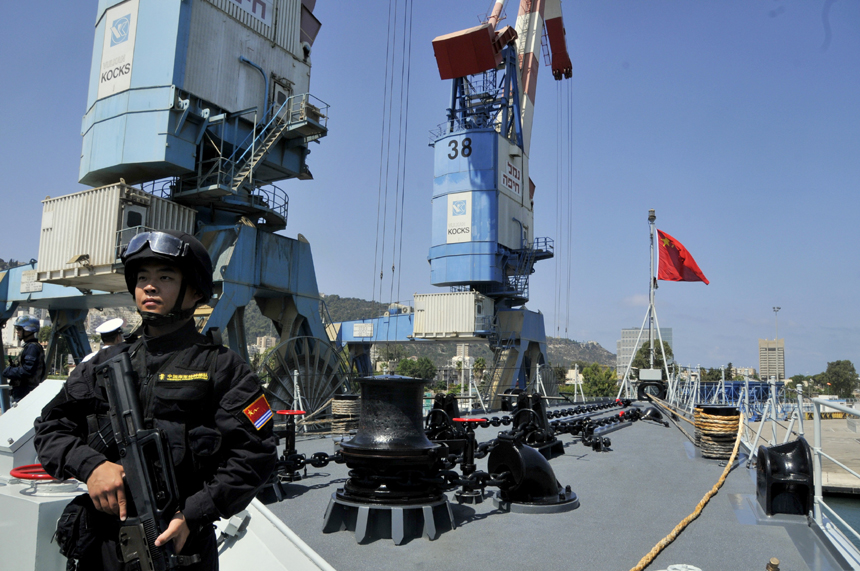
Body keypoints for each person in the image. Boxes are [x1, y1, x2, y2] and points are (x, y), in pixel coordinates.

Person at [34, 230, 276, 570]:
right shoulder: (104, 364)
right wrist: (92, 466)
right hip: (102, 545)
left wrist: (194, 513)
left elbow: (256, 455)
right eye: (142, 277)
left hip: (177, 542)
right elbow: (50, 428)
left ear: (194, 290)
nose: (150, 286)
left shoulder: (223, 368)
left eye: (165, 277)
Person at [2, 314, 46, 401]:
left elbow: (27, 370)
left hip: (24, 392)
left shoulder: (32, 348)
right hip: (24, 391)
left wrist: (9, 371)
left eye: (19, 329)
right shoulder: (30, 347)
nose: (17, 332)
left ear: (28, 330)